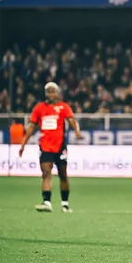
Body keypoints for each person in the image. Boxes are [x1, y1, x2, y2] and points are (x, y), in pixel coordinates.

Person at [19, 82, 83, 213]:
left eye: (53, 91)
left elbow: (71, 119)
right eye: (48, 91)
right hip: (45, 146)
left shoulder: (63, 107)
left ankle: (65, 204)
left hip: (60, 146)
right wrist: (23, 144)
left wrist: (76, 130)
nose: (51, 94)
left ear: (57, 93)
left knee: (63, 175)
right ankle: (47, 202)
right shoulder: (39, 108)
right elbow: (31, 125)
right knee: (46, 173)